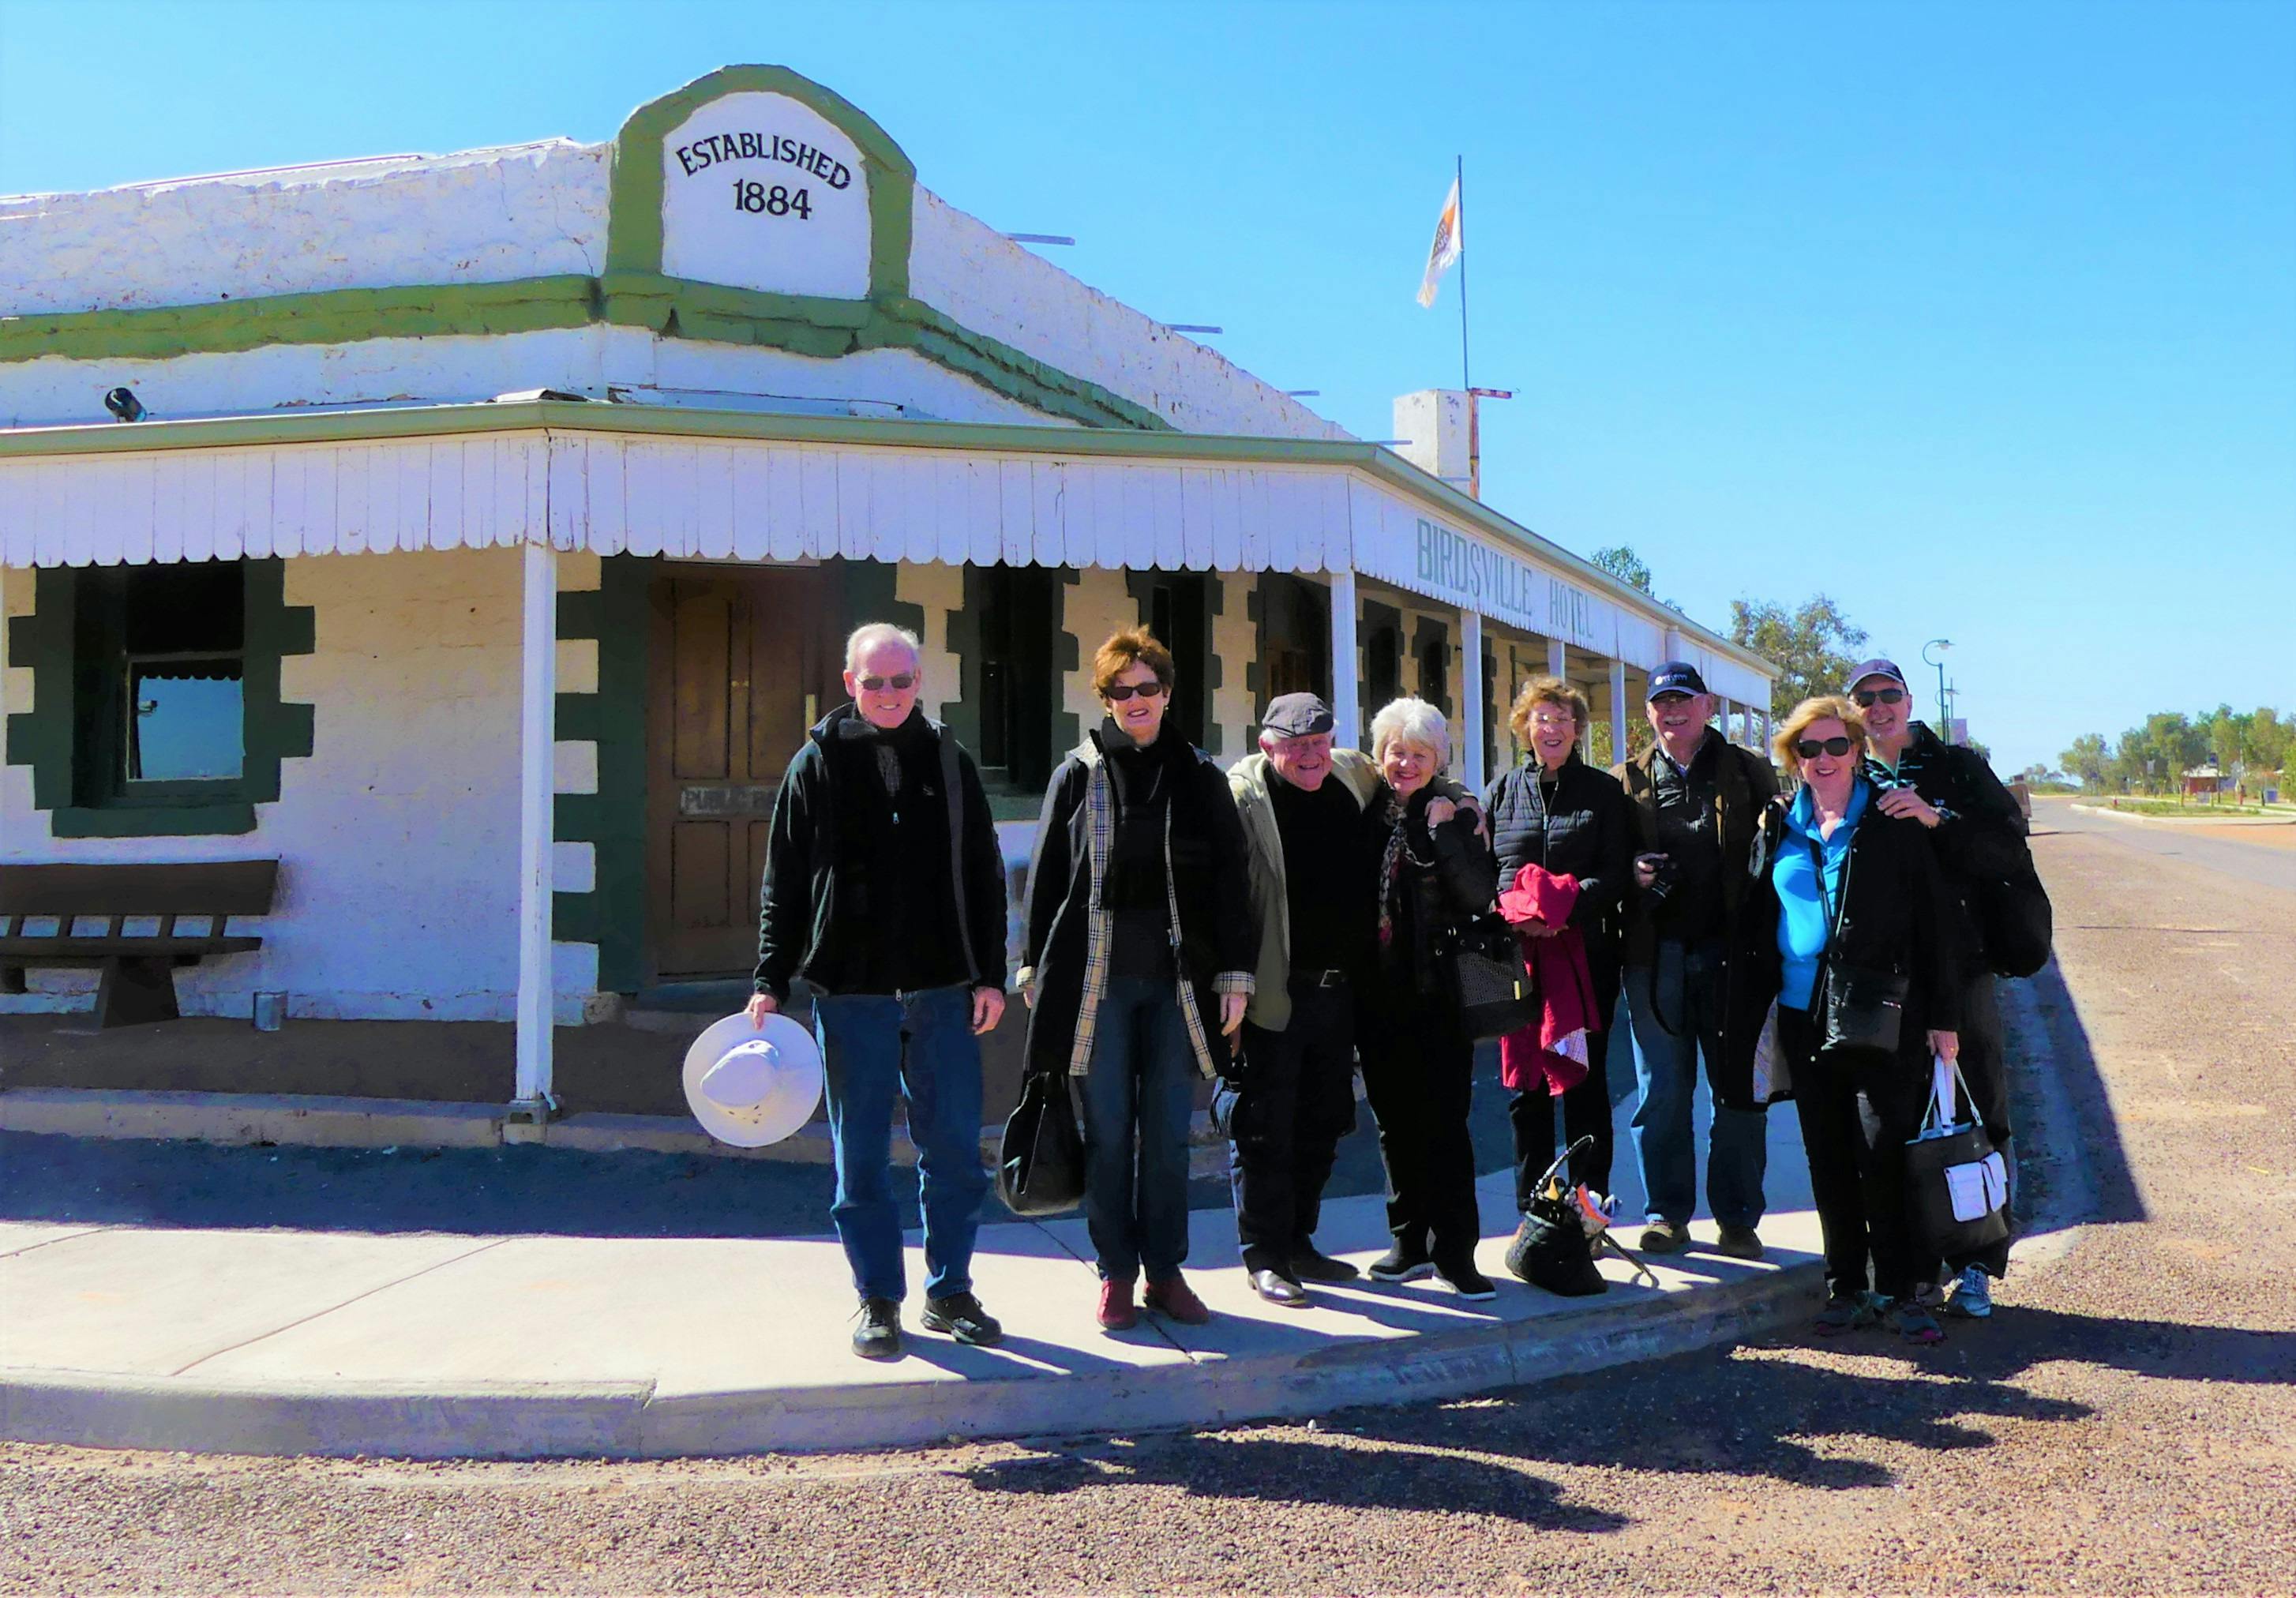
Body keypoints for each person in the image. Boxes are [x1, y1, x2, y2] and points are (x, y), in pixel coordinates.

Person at [749, 623, 1010, 1362]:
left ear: (919, 682)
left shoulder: (950, 763)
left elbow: (984, 878)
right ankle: (877, 1299)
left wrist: (987, 973)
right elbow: (786, 882)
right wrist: (771, 977)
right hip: (851, 990)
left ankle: (951, 1288)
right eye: (875, 682)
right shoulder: (816, 765)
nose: (889, 695)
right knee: (859, 1157)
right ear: (848, 684)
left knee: (955, 1150)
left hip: (941, 989)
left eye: (901, 681)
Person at [1021, 627, 1255, 1331]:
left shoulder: (1201, 775)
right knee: (1110, 1131)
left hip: (1178, 986)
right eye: (1121, 691)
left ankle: (1166, 1272)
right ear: (1107, 699)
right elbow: (1047, 880)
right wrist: (1035, 970)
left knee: (1168, 1135)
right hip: (1098, 986)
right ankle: (1115, 1273)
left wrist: (1236, 977)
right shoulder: (1079, 773)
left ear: (1167, 691)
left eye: (1147, 687)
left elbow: (1230, 883)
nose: (1136, 700)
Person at [1728, 696, 1964, 1346]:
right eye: (1810, 749)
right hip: (1805, 1014)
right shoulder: (1779, 824)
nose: (1825, 759)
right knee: (1827, 1153)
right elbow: (1754, 912)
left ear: (1858, 752)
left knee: (1885, 1148)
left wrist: (1943, 1018)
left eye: (1838, 746)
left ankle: (1905, 1286)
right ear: (1794, 759)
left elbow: (1934, 925)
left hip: (1882, 1012)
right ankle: (1846, 1285)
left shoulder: (1892, 822)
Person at [1850, 657, 2032, 1319]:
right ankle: (1916, 1266)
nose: (1878, 708)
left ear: (1908, 698)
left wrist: (1936, 818)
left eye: (1888, 695)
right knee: (1903, 1118)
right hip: (1888, 973)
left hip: (1962, 966)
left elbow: (2009, 848)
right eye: (1865, 698)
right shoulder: (1853, 772)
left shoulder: (1955, 766)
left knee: (1978, 1111)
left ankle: (1980, 1262)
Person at [1613, 662, 1781, 1259]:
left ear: (1707, 705)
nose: (1672, 710)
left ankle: (1737, 1218)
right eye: (1662, 702)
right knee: (1660, 1091)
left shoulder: (1746, 771)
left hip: (1733, 958)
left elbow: (1791, 832)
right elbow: (1602, 855)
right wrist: (1631, 874)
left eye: (1684, 699)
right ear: (1650, 713)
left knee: (1736, 1090)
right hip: (1653, 959)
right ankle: (1666, 1213)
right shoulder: (1628, 780)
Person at [1224, 692, 1384, 1307]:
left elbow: (1415, 768)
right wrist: (1229, 986)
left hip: (1339, 990)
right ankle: (1264, 1255)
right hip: (1274, 990)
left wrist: (1459, 796)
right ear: (1268, 746)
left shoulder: (1351, 772)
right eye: (1296, 746)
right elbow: (1224, 897)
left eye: (1318, 741)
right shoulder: (1244, 797)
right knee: (1264, 1125)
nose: (1310, 755)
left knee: (1324, 1119)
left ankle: (1299, 1243)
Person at [1356, 696, 1498, 1300]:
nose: (1405, 763)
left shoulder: (1455, 814)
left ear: (1437, 758)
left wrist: (1446, 827)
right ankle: (1408, 1242)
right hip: (1379, 995)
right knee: (1393, 1125)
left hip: (1441, 995)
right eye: (1395, 752)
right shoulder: (1368, 812)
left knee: (1444, 1124)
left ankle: (1456, 1253)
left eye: (1418, 754)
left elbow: (1477, 893)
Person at [1484, 676, 1633, 1210]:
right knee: (1526, 1085)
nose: (1551, 728)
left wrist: (1560, 911)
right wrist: (1520, 916)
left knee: (1583, 1081)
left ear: (1577, 730)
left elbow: (1614, 873)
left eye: (1562, 720)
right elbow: (1490, 871)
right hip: (1516, 958)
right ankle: (1534, 1205)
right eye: (1541, 719)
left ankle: (1590, 1201)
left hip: (1583, 955)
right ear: (1525, 727)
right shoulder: (1502, 790)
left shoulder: (1602, 791)